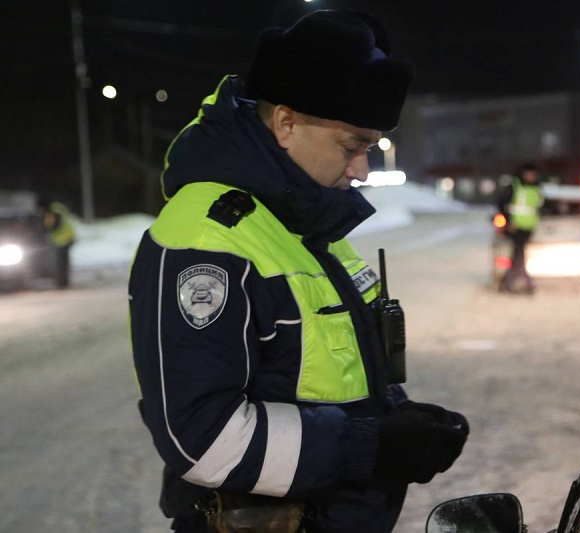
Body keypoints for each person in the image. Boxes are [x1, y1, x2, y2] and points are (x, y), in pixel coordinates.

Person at [127, 10, 469, 533]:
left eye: (369, 149)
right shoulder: (209, 236)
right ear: (286, 123)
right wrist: (372, 445)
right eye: (351, 146)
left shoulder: (303, 225)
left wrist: (400, 420)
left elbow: (321, 380)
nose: (361, 170)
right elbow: (201, 438)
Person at [497, 163, 543, 294]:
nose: (531, 177)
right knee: (518, 254)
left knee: (519, 254)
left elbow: (539, 206)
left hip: (529, 226)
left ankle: (511, 281)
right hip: (516, 227)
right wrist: (508, 221)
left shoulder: (537, 188)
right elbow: (502, 203)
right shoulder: (515, 186)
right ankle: (518, 281)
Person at [37, 196, 75, 288]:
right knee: (62, 262)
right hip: (64, 239)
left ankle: (62, 282)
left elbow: (54, 225)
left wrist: (45, 229)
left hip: (65, 239)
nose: (40, 211)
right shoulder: (55, 209)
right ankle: (63, 281)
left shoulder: (54, 212)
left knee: (62, 262)